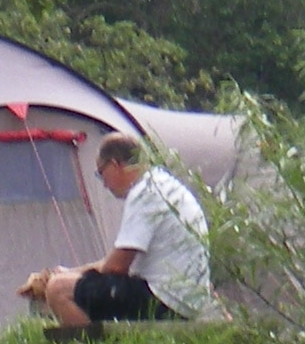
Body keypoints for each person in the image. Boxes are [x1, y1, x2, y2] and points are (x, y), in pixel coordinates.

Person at [23, 134, 211, 327]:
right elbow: (118, 262)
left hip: (165, 300)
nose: (104, 184)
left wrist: (64, 277)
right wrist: (70, 272)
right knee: (74, 284)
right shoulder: (163, 184)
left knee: (58, 290)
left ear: (114, 165)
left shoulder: (144, 193)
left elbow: (116, 267)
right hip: (186, 300)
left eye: (101, 173)